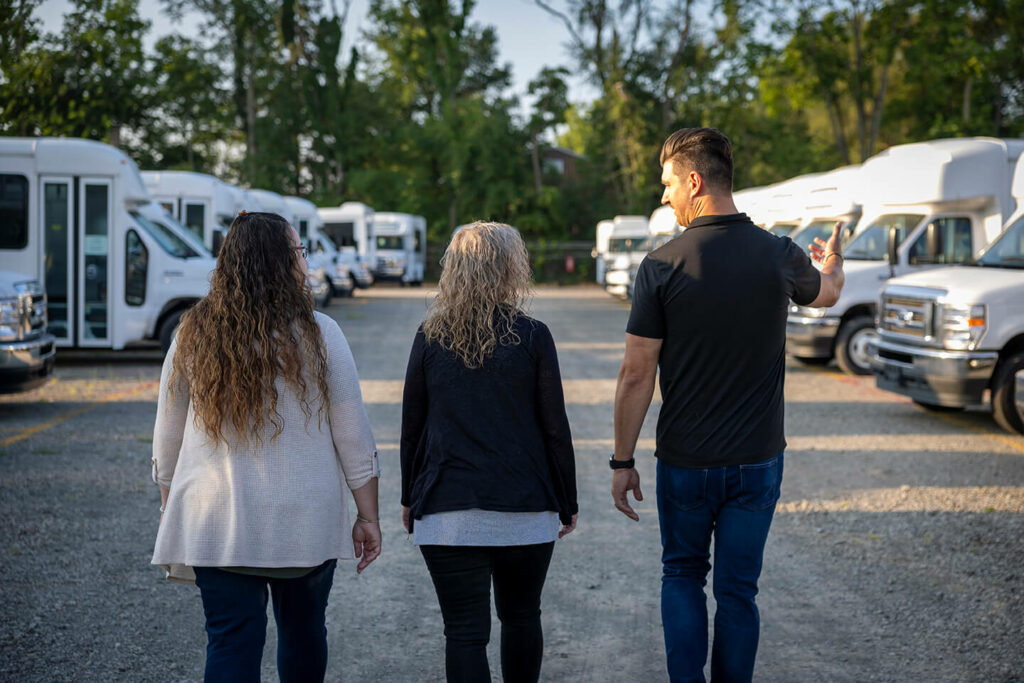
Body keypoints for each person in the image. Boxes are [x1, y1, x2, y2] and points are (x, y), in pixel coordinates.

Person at [610, 128, 845, 683]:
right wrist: (833, 261)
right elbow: (829, 293)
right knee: (739, 592)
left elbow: (636, 373)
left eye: (668, 183)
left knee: (683, 576)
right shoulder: (778, 254)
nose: (664, 196)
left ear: (695, 181)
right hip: (757, 461)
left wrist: (622, 462)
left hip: (686, 463)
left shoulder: (661, 265)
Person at [150, 211, 381, 683]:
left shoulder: (191, 334)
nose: (304, 260)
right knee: (303, 633)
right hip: (304, 524)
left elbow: (167, 435)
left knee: (231, 640)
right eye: (298, 251)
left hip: (216, 522)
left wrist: (170, 505)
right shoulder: (320, 334)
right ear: (281, 262)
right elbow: (353, 434)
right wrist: (368, 516)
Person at [400, 221, 578, 683]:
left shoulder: (429, 335)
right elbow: (555, 428)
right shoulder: (534, 336)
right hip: (525, 507)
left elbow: (412, 430)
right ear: (510, 269)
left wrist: (409, 498)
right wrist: (567, 501)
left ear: (453, 270)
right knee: (522, 618)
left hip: (445, 509)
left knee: (463, 633)